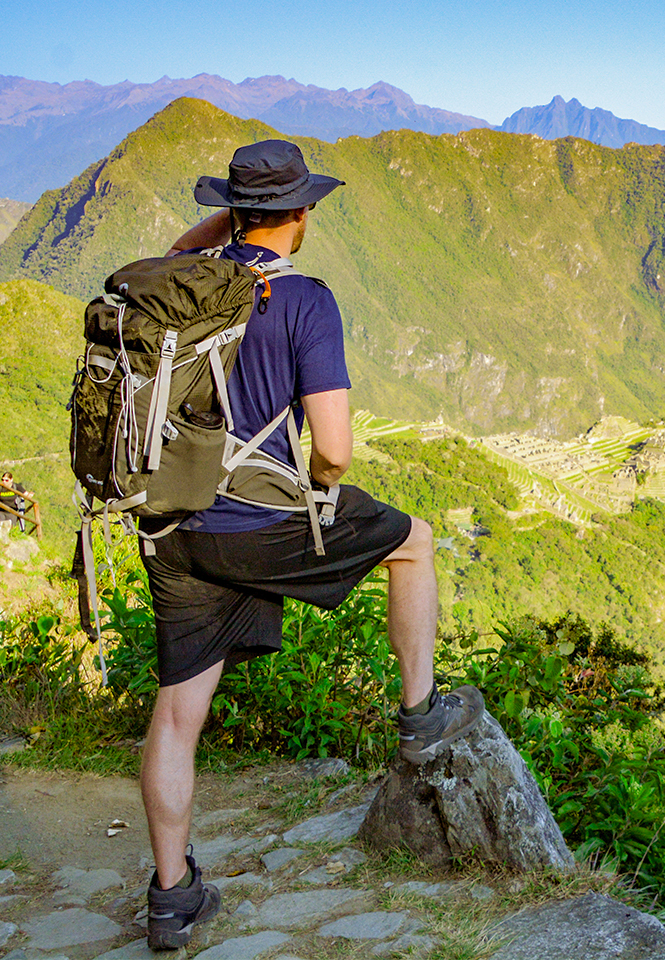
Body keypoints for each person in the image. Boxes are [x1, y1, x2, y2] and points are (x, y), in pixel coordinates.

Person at [136, 139, 484, 950]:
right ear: (301, 213)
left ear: (233, 208)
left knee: (178, 712)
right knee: (413, 542)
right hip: (260, 526)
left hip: (174, 527)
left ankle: (170, 896)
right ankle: (419, 714)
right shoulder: (304, 301)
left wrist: (240, 219)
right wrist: (319, 499)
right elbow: (333, 448)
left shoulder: (179, 283)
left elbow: (179, 247)